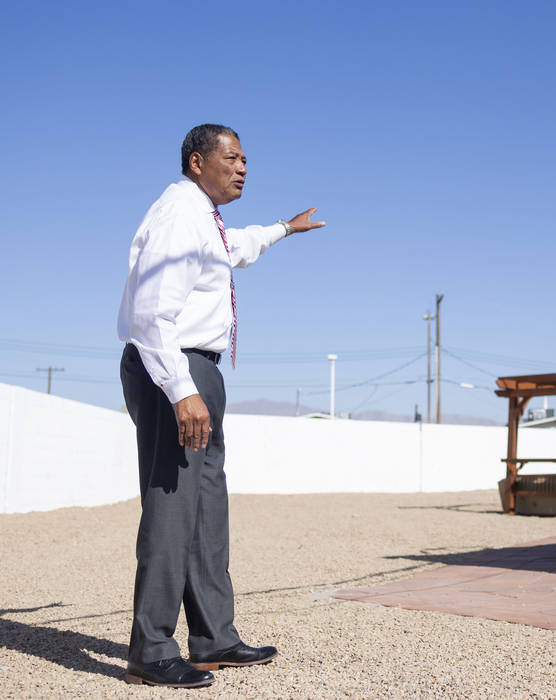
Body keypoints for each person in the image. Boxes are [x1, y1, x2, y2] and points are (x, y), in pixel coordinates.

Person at [117, 124, 326, 688]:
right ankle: (151, 648)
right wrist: (181, 389)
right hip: (174, 368)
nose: (242, 167)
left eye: (245, 159)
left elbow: (233, 249)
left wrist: (285, 228)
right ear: (195, 162)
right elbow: (149, 312)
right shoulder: (179, 214)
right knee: (172, 506)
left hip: (198, 368)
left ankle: (213, 637)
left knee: (207, 507)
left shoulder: (204, 219)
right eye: (231, 157)